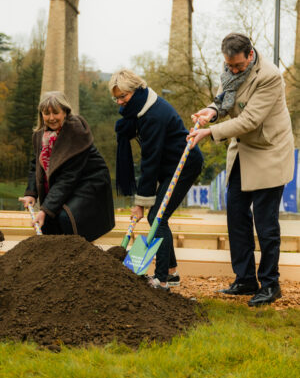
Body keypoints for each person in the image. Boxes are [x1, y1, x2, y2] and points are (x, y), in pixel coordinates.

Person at [188, 33, 294, 306]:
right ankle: (245, 279)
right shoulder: (229, 72)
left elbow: (250, 119)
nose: (233, 70)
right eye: (229, 65)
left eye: (238, 66)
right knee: (236, 216)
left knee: (266, 223)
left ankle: (271, 284)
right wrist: (211, 111)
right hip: (242, 153)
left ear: (250, 54)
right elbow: (223, 99)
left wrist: (210, 132)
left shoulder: (269, 77)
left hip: (269, 152)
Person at [108, 70, 203, 290]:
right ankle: (172, 273)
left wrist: (141, 203)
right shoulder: (139, 110)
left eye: (124, 96)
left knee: (157, 217)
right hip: (167, 164)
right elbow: (152, 159)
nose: (120, 103)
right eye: (117, 98)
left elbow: (149, 161)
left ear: (136, 90)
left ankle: (162, 279)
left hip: (184, 163)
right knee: (158, 216)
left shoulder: (153, 115)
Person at [19, 91, 115, 242]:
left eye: (56, 112)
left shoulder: (76, 133)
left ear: (65, 112)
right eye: (46, 113)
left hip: (90, 182)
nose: (51, 118)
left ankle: (79, 255)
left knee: (67, 218)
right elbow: (36, 165)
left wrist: (44, 210)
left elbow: (68, 178)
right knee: (49, 222)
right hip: (68, 182)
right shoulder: (39, 135)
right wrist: (31, 193)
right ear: (41, 114)